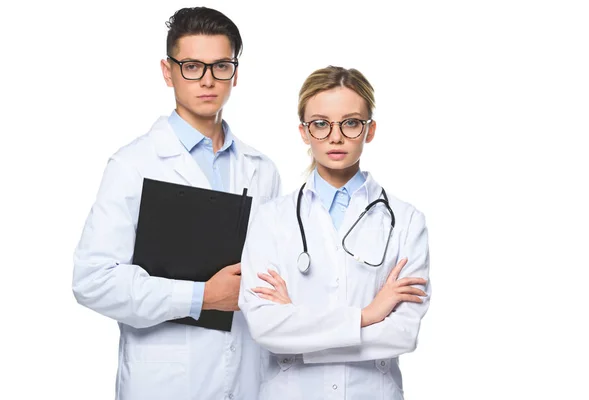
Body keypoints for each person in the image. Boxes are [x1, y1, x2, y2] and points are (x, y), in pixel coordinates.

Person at [72, 7, 280, 400]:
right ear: (168, 72)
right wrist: (201, 297)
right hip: (164, 383)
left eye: (220, 66)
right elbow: (92, 281)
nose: (207, 80)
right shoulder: (134, 165)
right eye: (191, 66)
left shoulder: (262, 170)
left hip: (248, 379)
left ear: (235, 73)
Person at [239, 66, 430, 399]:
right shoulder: (270, 219)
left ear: (369, 130)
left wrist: (299, 330)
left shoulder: (406, 220)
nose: (336, 136)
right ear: (303, 132)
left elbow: (402, 333)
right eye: (321, 124)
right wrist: (369, 315)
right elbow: (265, 327)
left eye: (351, 122)